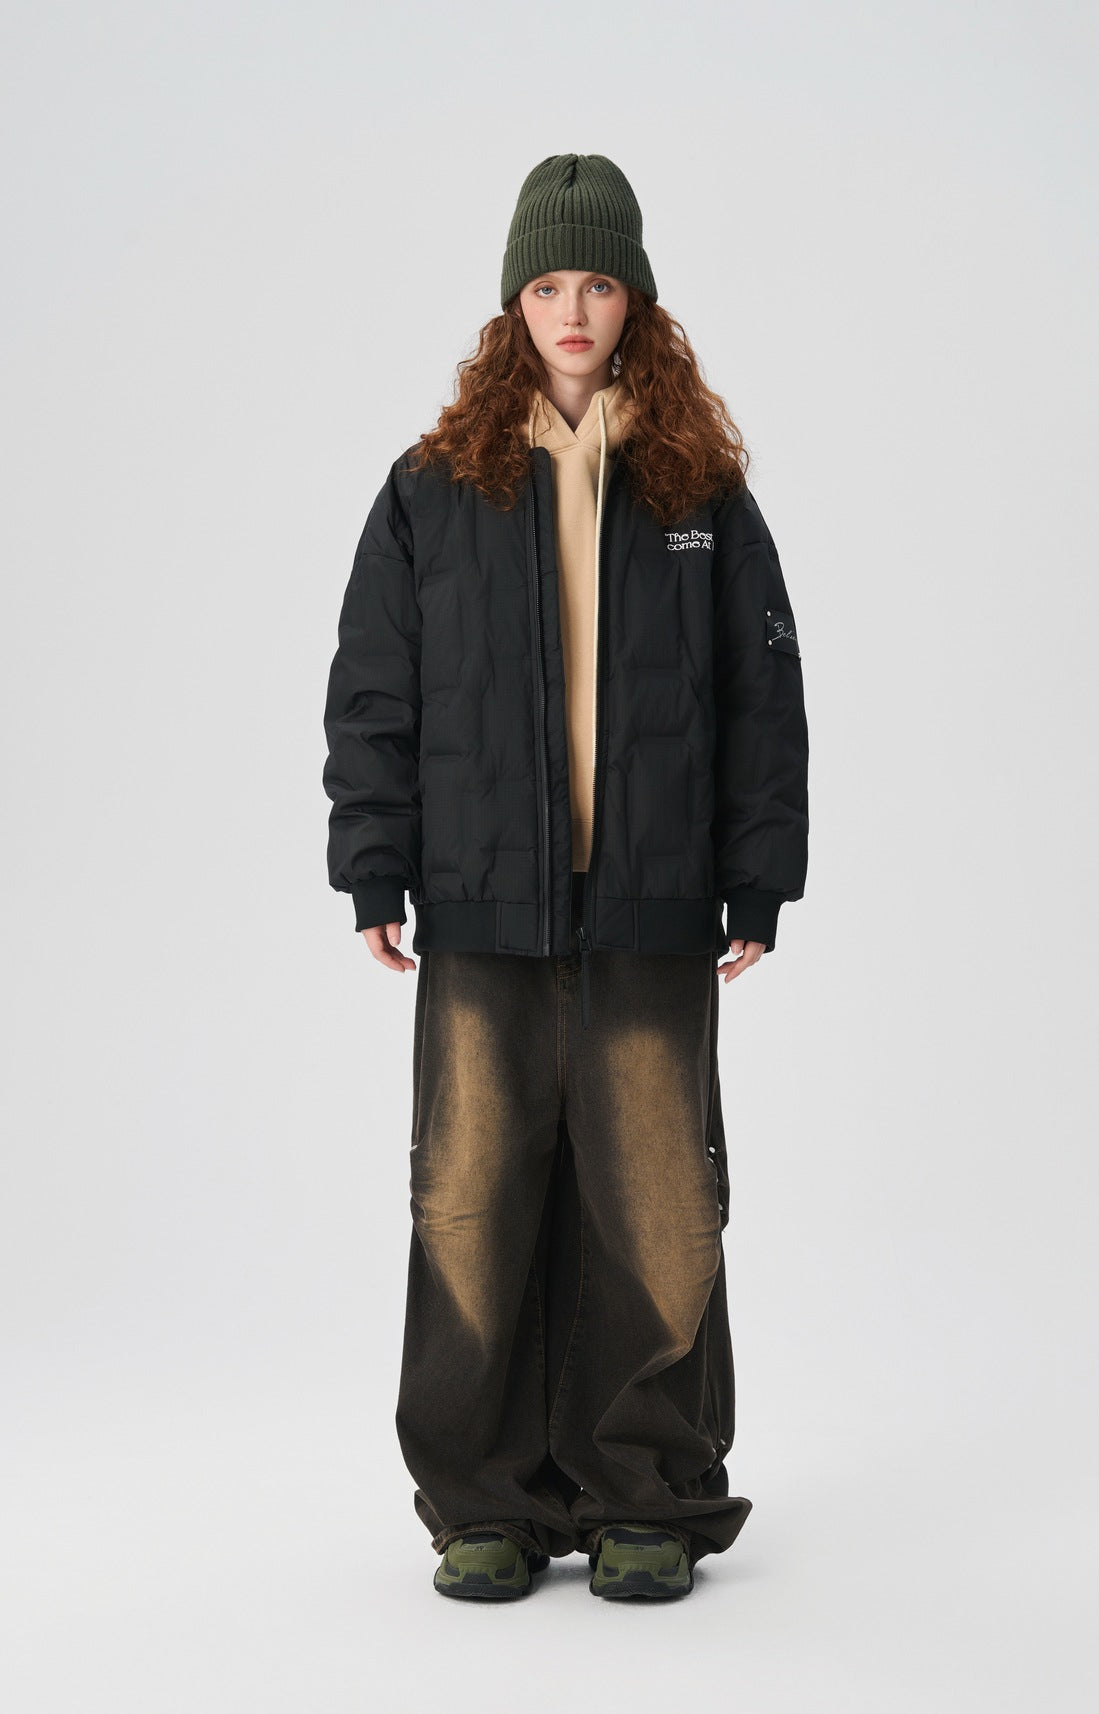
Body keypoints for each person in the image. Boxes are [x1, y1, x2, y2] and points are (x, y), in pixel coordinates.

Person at [322, 152, 810, 1601]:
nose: (575, 309)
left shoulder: (700, 490)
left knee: (658, 1205)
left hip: (652, 909)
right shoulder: (432, 490)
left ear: (635, 298)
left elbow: (763, 696)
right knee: (472, 1205)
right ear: (513, 306)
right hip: (483, 908)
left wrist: (757, 879)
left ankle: (645, 1493)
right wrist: (374, 865)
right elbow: (374, 690)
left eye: (599, 282)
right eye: (549, 285)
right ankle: (485, 1501)